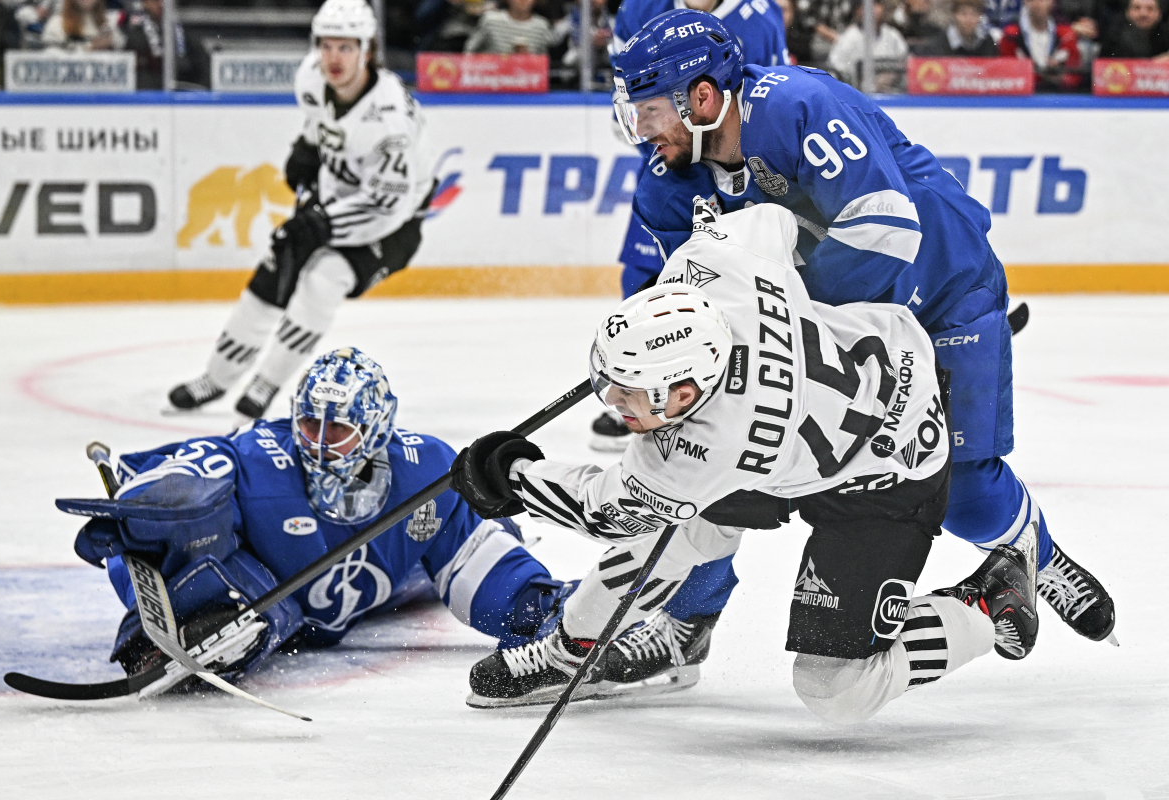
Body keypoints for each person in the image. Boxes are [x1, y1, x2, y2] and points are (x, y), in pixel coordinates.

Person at [595, 8, 1114, 673]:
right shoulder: (670, 183)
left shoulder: (797, 106)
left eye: (650, 111)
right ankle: (685, 618)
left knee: (964, 487)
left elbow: (886, 231)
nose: (641, 130)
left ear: (701, 97)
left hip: (943, 284)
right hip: (849, 324)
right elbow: (695, 301)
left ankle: (1036, 553)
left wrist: (782, 317)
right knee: (731, 459)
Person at [450, 204, 1042, 721]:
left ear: (684, 395)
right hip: (875, 368)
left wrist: (512, 476)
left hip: (887, 474)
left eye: (628, 393)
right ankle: (577, 650)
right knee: (684, 525)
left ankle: (986, 603)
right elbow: (782, 216)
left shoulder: (709, 444)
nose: (612, 403)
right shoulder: (719, 262)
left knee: (836, 689)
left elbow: (603, 510)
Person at [63, 348, 570, 695]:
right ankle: (227, 614)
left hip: (401, 577)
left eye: (338, 429)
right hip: (290, 592)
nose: (320, 444)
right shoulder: (258, 457)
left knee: (498, 565)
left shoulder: (425, 472)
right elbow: (192, 469)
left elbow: (469, 553)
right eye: (309, 424)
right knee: (241, 596)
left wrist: (538, 611)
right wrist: (147, 525)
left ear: (375, 429)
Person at [167, 0, 435, 420]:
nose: (333, 58)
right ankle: (216, 378)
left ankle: (266, 381)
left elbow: (387, 204)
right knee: (274, 269)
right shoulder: (311, 76)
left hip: (393, 223)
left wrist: (323, 224)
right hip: (336, 197)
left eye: (346, 47)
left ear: (367, 50)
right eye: (326, 45)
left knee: (323, 282)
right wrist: (307, 149)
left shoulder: (389, 123)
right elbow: (319, 122)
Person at [596, 0, 789, 452]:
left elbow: (762, 105)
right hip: (672, 162)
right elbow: (628, 99)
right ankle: (642, 383)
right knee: (646, 275)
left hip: (737, 166)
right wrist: (673, 153)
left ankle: (725, 390)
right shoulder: (640, 9)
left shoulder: (761, 17)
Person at [998, 0, 1085, 91]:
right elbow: (1006, 75)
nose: (1038, 4)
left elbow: (1075, 76)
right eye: (1032, 0)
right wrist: (1040, 76)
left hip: (1058, 94)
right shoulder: (1011, 36)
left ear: (1052, 2)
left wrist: (1061, 77)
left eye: (1043, 0)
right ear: (1025, 2)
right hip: (1022, 95)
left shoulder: (1066, 36)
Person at [124, 0, 208, 89]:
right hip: (151, 92)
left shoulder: (186, 30)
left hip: (183, 89)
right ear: (145, 3)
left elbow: (201, 63)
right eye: (156, 1)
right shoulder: (135, 32)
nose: (161, 4)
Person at [826, 0, 910, 88]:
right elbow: (835, 72)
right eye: (868, 6)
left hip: (892, 93)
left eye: (876, 5)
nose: (874, 10)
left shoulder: (892, 35)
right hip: (858, 93)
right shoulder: (848, 38)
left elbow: (906, 64)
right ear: (858, 11)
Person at [465, 0, 557, 54]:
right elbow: (469, 51)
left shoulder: (541, 26)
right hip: (491, 77)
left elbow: (542, 61)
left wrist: (527, 59)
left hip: (526, 77)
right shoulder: (490, 20)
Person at [41, 0, 125, 50]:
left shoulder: (108, 23)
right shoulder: (56, 23)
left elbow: (121, 49)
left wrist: (111, 44)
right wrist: (91, 48)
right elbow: (52, 57)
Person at [926, 0, 999, 56]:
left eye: (974, 14)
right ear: (954, 15)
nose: (968, 19)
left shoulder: (987, 41)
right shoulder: (939, 43)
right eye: (964, 14)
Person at [1100, 0, 1169, 57]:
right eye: (1137, 8)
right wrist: (1152, 63)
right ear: (1127, 12)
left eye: (1150, 9)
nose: (1143, 14)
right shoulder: (1114, 35)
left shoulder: (1165, 33)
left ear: (1160, 14)